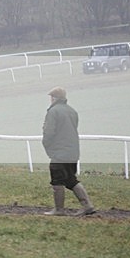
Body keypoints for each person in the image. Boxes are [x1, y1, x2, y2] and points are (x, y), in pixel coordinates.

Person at [42, 86, 95, 216]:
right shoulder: (72, 111)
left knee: (57, 180)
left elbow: (49, 133)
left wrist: (47, 146)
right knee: (71, 179)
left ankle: (59, 210)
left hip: (59, 153)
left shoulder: (53, 112)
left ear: (54, 98)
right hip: (73, 152)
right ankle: (87, 205)